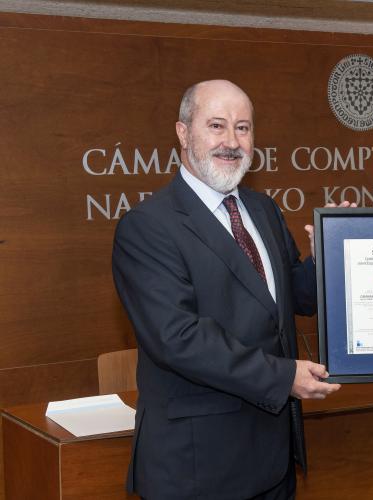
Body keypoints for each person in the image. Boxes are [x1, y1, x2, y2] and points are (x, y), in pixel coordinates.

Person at [112, 79, 341, 499]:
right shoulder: (147, 227)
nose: (232, 141)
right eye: (217, 126)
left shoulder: (263, 209)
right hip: (198, 467)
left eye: (243, 128)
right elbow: (178, 338)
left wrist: (331, 257)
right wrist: (283, 375)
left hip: (272, 459)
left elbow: (293, 297)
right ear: (183, 132)